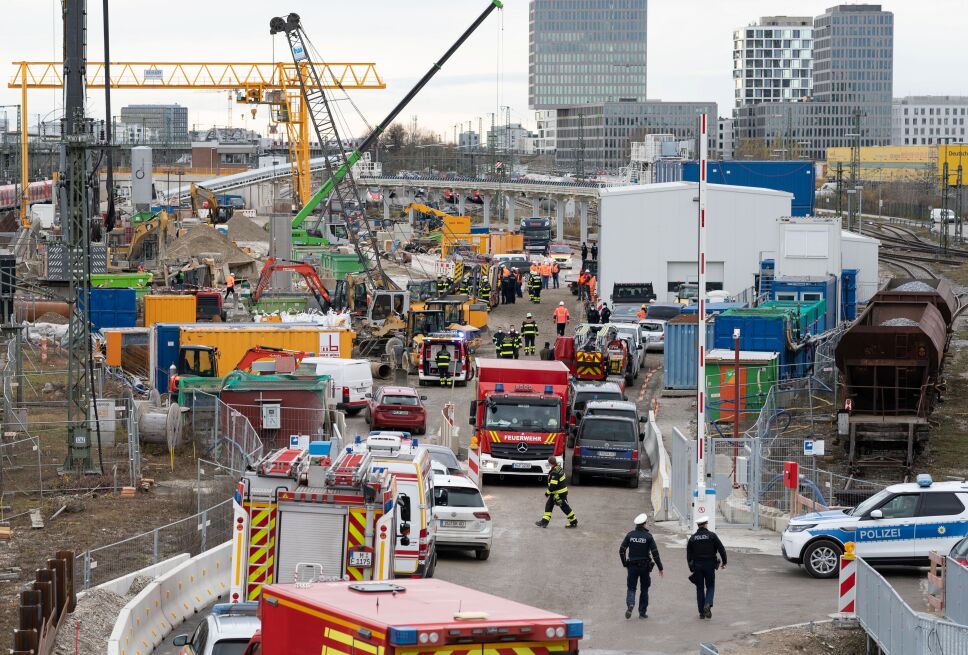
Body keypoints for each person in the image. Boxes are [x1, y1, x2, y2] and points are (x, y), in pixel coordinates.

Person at [619, 513, 664, 620]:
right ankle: (642, 613)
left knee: (631, 588)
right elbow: (655, 553)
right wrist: (660, 567)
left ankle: (630, 604)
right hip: (644, 567)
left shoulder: (630, 535)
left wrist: (624, 563)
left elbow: (621, 550)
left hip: (632, 566)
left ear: (636, 525)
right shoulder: (648, 537)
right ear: (644, 524)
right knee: (644, 589)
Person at [687, 517, 727, 620]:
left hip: (697, 566)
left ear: (698, 525)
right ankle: (708, 604)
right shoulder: (712, 536)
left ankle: (701, 613)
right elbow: (721, 549)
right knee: (710, 586)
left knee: (700, 588)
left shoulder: (692, 538)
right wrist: (724, 562)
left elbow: (689, 556)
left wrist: (691, 568)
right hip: (710, 565)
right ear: (705, 524)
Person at [535, 456, 577, 528]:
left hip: (559, 494)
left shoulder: (554, 472)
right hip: (556, 493)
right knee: (548, 506)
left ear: (550, 463)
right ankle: (544, 522)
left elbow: (553, 486)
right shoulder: (559, 468)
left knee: (565, 508)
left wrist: (547, 493)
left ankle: (573, 522)